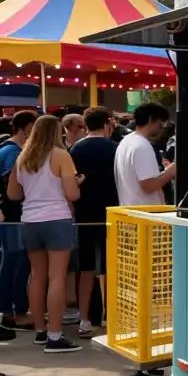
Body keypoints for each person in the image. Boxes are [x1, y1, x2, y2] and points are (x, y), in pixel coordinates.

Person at [7, 115, 82, 353]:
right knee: (57, 276)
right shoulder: (61, 156)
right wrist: (76, 183)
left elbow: (13, 195)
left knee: (37, 276)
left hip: (30, 220)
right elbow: (72, 195)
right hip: (56, 218)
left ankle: (40, 329)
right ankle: (55, 335)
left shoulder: (23, 157)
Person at [70, 107, 118, 338]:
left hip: (84, 214)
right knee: (111, 267)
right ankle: (112, 317)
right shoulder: (114, 148)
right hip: (111, 212)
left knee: (86, 267)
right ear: (107, 123)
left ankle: (85, 319)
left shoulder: (75, 148)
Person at [0, 110, 38, 337]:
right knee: (16, 264)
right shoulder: (13, 153)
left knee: (14, 263)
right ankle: (14, 312)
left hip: (15, 215)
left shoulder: (10, 150)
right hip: (13, 216)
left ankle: (12, 311)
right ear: (26, 128)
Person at [114, 102, 176, 207]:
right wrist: (170, 171)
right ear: (151, 119)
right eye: (161, 124)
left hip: (131, 209)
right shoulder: (142, 146)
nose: (162, 129)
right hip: (146, 213)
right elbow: (149, 185)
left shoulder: (126, 141)